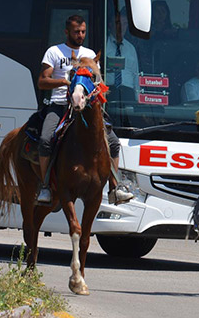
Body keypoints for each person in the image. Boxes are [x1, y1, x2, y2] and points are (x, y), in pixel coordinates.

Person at [37, 15, 133, 206]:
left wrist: (97, 91)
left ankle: (115, 187)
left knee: (113, 142)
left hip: (88, 107)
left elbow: (99, 83)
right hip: (60, 104)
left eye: (83, 32)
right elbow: (42, 81)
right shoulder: (54, 52)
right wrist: (65, 82)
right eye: (76, 32)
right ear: (67, 32)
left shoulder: (89, 54)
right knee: (46, 139)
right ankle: (45, 186)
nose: (80, 35)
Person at [104, 8, 139, 101]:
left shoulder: (131, 48)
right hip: (108, 90)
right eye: (118, 23)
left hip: (128, 92)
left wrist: (138, 99)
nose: (122, 27)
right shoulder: (104, 45)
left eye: (125, 24)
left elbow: (135, 74)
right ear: (110, 24)